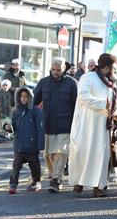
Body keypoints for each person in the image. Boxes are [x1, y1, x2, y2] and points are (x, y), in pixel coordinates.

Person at [69, 53, 117, 197]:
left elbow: (115, 102)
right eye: (114, 68)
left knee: (102, 156)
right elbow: (84, 96)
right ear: (106, 67)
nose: (115, 71)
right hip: (86, 124)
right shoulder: (88, 78)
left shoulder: (111, 83)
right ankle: (79, 182)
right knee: (83, 152)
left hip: (103, 127)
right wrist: (103, 105)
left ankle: (99, 187)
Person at [33, 57, 77, 193]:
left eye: (58, 70)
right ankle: (54, 175)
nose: (55, 72)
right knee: (48, 154)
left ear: (64, 69)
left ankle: (56, 179)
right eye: (53, 69)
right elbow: (34, 102)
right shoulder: (43, 83)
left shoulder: (72, 83)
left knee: (61, 153)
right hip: (47, 124)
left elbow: (77, 105)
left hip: (65, 124)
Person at [8, 87, 44, 194]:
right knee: (16, 166)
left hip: (32, 146)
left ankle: (36, 182)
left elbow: (40, 128)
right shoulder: (16, 112)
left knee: (34, 166)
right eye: (21, 96)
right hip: (19, 145)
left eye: (26, 97)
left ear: (30, 97)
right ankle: (13, 185)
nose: (23, 99)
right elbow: (13, 127)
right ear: (18, 98)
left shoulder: (36, 111)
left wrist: (40, 145)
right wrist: (7, 127)